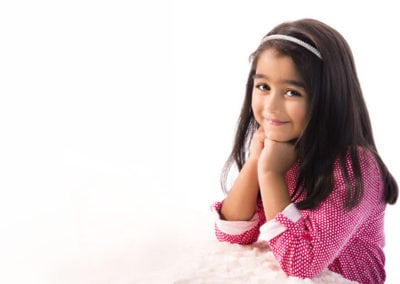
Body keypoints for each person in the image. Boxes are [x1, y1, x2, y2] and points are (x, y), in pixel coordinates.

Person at [213, 18, 398, 284]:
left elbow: (302, 263)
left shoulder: (355, 167)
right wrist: (256, 161)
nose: (271, 107)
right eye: (263, 87)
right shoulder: (281, 149)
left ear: (327, 98)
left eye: (291, 92)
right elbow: (233, 235)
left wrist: (270, 173)